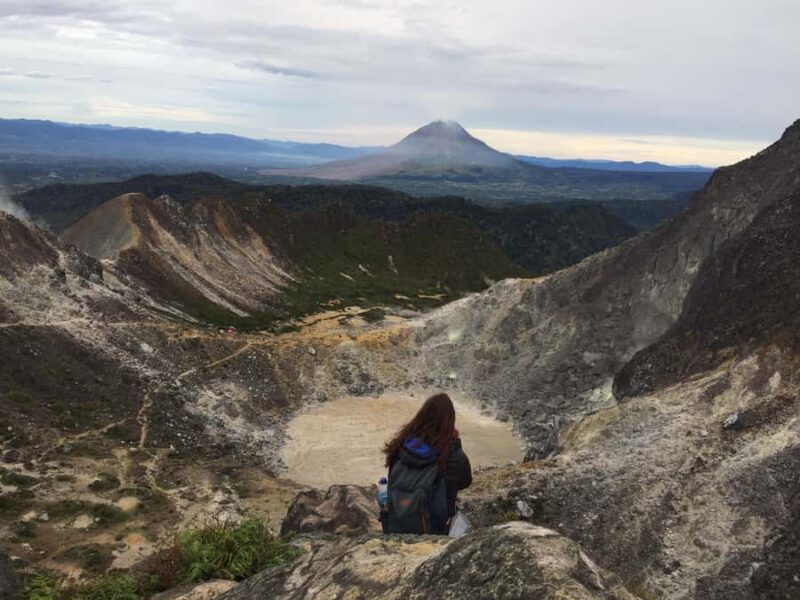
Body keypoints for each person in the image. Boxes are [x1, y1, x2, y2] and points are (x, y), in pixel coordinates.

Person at [381, 393, 472, 535]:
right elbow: (465, 482)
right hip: (436, 530)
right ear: (450, 421)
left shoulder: (401, 446)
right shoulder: (452, 453)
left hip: (396, 524)